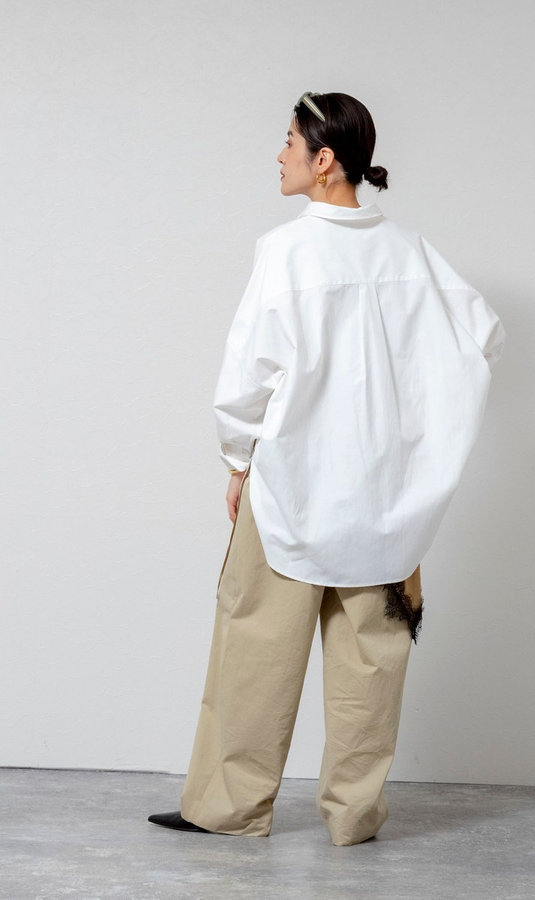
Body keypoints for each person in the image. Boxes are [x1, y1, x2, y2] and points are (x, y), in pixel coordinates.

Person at [148, 91, 506, 846]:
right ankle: (355, 816)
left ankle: (230, 807)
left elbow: (248, 373)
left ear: (324, 160)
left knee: (255, 644)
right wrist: (421, 433)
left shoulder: (287, 251)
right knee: (371, 657)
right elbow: (481, 337)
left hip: (295, 483)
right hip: (387, 495)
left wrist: (238, 459)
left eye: (288, 140)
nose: (277, 154)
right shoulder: (408, 251)